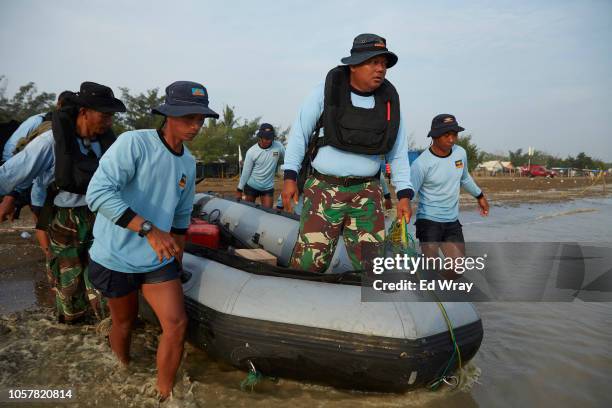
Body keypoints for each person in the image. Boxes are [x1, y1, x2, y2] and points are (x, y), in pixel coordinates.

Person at [86, 81, 218, 400]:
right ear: (168, 114)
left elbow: (182, 217)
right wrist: (148, 229)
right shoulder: (135, 144)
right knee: (124, 323)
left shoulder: (188, 161)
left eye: (201, 119)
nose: (196, 125)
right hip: (115, 254)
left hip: (156, 260)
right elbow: (98, 194)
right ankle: (123, 370)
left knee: (176, 324)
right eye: (189, 117)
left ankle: (164, 396)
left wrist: (177, 258)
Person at [282, 33, 413, 273]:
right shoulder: (325, 91)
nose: (380, 69)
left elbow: (398, 153)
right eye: (373, 62)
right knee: (308, 267)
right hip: (323, 190)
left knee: (375, 270)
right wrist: (290, 177)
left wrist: (404, 194)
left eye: (383, 64)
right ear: (353, 65)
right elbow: (299, 134)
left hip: (367, 194)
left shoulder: (389, 103)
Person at [0, 82, 125, 322]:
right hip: (65, 218)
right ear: (84, 112)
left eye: (112, 116)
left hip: (102, 215)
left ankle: (105, 335)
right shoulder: (49, 142)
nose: (109, 122)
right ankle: (72, 328)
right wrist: (9, 199)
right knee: (69, 287)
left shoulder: (108, 144)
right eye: (104, 115)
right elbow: (10, 174)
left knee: (105, 281)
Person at [410, 114, 489, 277]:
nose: (452, 139)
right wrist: (403, 213)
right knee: (431, 268)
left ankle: (442, 288)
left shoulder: (460, 153)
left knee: (457, 270)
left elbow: (465, 177)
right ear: (434, 136)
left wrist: (480, 196)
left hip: (451, 221)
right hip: (428, 222)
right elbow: (410, 192)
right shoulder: (421, 164)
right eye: (447, 135)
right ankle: (424, 278)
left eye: (455, 135)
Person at [236, 123, 285, 208]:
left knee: (268, 214)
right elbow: (246, 172)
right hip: (252, 186)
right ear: (260, 138)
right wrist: (239, 190)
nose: (268, 140)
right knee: (248, 211)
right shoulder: (251, 152)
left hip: (267, 188)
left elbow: (288, 159)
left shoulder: (278, 146)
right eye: (265, 138)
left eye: (270, 138)